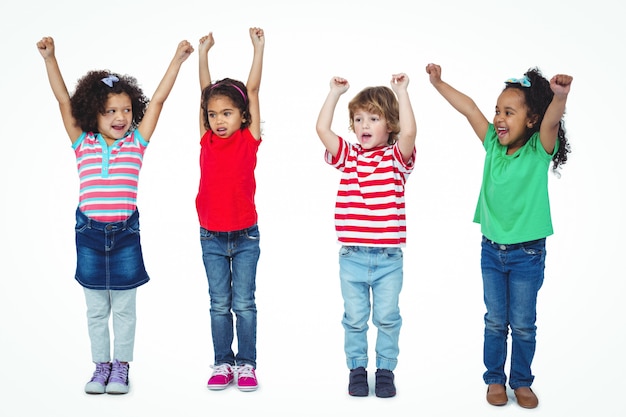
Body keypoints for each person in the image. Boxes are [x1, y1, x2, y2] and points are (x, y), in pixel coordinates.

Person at [37, 36, 193, 394]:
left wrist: (177, 59)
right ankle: (100, 366)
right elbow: (63, 99)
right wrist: (51, 59)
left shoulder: (136, 144)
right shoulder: (83, 143)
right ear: (93, 113)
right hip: (90, 234)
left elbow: (158, 101)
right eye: (110, 111)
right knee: (95, 308)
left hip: (124, 235)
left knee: (123, 307)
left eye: (125, 110)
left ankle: (121, 366)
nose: (120, 117)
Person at [426, 63, 573, 409]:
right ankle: (495, 378)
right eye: (498, 111)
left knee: (522, 324)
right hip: (491, 251)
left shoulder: (539, 150)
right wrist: (438, 83)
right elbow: (468, 108)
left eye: (509, 112)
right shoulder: (492, 143)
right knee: (494, 320)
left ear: (531, 120)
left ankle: (521, 381)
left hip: (527, 255)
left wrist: (561, 97)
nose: (499, 118)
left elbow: (553, 119)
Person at [315, 74, 417, 398]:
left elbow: (411, 132)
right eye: (358, 119)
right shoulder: (350, 155)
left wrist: (402, 92)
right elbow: (321, 130)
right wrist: (334, 93)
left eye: (374, 118)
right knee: (355, 319)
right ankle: (357, 370)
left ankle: (385, 371)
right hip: (353, 257)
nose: (364, 125)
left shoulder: (396, 158)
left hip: (388, 258)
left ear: (390, 124)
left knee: (387, 317)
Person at [196, 27, 265, 392]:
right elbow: (203, 93)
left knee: (245, 303)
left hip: (245, 236)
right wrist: (203, 54)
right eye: (213, 114)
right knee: (219, 303)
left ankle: (248, 364)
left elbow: (252, 91)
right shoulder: (206, 137)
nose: (218, 120)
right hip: (210, 235)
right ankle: (223, 360)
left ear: (243, 116)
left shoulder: (248, 140)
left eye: (227, 113)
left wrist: (258, 49)